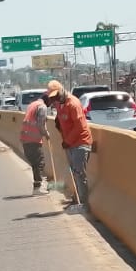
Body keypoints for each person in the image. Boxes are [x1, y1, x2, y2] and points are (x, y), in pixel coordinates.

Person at [44, 81, 93, 211]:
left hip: (80, 142)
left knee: (79, 173)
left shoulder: (73, 103)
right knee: (74, 173)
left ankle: (83, 203)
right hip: (70, 144)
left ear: (61, 91)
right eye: (52, 97)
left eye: (55, 96)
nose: (53, 100)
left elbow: (80, 126)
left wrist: (68, 141)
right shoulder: (59, 104)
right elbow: (63, 122)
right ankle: (77, 198)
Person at [20, 93, 50, 193]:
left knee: (35, 164)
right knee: (39, 163)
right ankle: (38, 188)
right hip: (33, 139)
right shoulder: (42, 107)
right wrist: (46, 134)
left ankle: (36, 186)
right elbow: (41, 124)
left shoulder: (32, 105)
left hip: (25, 137)